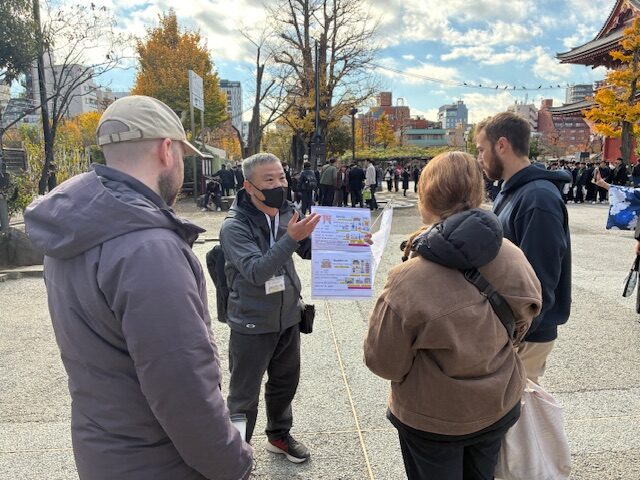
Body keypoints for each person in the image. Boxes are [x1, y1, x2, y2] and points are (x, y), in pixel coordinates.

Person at [23, 95, 253, 479]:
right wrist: (236, 463)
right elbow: (183, 390)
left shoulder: (73, 228)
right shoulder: (149, 248)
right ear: (167, 150)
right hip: (160, 462)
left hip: (105, 450)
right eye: (182, 155)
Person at [364, 151, 542, 480]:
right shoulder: (512, 254)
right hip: (497, 401)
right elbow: (526, 318)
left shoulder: (408, 279)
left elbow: (384, 361)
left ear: (425, 197)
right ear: (478, 191)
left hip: (432, 415)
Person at [219, 152, 321, 463]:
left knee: (285, 383)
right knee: (243, 396)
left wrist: (349, 245)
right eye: (269, 180)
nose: (279, 185)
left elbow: (307, 249)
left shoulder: (288, 212)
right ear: (249, 186)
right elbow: (256, 271)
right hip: (251, 323)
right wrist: (290, 239)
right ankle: (235, 454)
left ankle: (279, 435)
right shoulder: (234, 226)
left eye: (282, 177)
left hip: (288, 316)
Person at [476, 111, 572, 384]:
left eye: (481, 149)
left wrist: (515, 335)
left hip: (526, 334)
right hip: (512, 327)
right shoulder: (513, 191)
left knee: (515, 407)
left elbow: (541, 280)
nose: (479, 158)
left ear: (502, 145)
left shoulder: (537, 198)